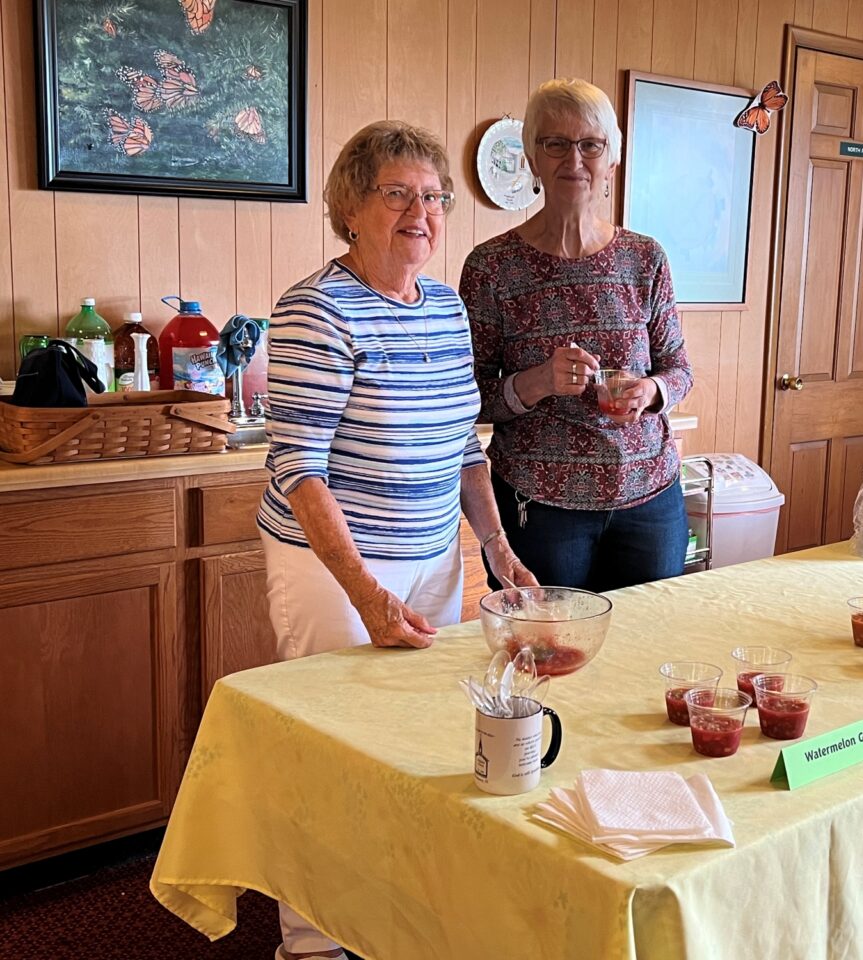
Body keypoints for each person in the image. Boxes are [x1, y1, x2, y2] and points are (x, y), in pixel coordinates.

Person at [257, 120, 535, 960]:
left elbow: (462, 450)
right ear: (350, 207)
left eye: (433, 197)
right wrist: (366, 592)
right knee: (331, 749)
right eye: (397, 194)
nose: (421, 212)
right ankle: (312, 941)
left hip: (430, 559)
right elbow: (300, 472)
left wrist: (494, 548)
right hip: (332, 567)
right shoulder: (316, 309)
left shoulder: (446, 306)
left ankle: (395, 915)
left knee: (414, 741)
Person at [461, 78, 694, 593]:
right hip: (539, 509)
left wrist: (652, 391)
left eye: (591, 144)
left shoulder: (645, 258)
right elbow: (467, 399)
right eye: (555, 143)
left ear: (611, 158)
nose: (574, 159)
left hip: (649, 500)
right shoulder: (492, 267)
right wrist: (538, 381)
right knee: (546, 650)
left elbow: (679, 369)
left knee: (645, 647)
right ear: (531, 157)